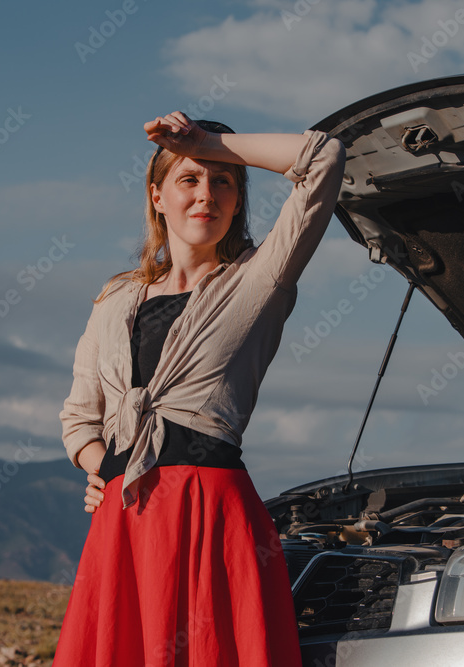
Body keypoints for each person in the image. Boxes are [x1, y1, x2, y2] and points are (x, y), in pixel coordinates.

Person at [52, 110, 346, 666]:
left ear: (237, 201)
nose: (205, 193)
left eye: (222, 181)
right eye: (189, 178)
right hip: (123, 525)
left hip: (211, 516)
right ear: (157, 196)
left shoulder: (262, 278)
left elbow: (324, 158)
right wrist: (102, 469)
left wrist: (212, 144)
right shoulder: (114, 298)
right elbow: (79, 418)